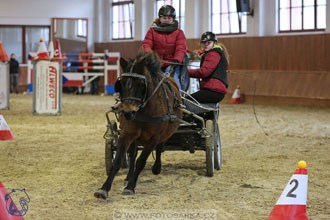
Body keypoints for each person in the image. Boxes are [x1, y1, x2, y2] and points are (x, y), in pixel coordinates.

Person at [142, 5, 186, 90]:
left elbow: (181, 49)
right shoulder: (152, 31)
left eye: (169, 18)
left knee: (174, 81)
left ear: (173, 19)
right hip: (156, 63)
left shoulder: (179, 33)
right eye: (164, 18)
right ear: (160, 18)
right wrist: (152, 57)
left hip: (172, 64)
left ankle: (180, 99)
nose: (167, 20)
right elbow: (146, 45)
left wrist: (176, 60)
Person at [188, 32, 229, 103]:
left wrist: (186, 72)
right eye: (204, 43)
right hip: (216, 90)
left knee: (187, 101)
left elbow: (204, 72)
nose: (206, 45)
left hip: (213, 90)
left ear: (214, 43)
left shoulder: (213, 54)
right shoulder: (216, 53)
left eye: (208, 42)